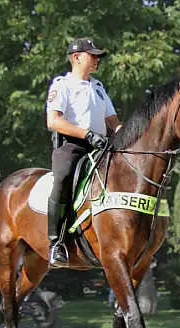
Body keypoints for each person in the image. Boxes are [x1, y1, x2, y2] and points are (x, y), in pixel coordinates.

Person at [45, 38, 123, 268]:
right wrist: (87, 134)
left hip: (101, 145)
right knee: (63, 178)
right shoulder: (62, 85)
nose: (97, 59)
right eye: (93, 55)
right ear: (77, 57)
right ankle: (56, 242)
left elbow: (113, 121)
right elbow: (53, 120)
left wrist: (126, 136)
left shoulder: (98, 87)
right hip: (72, 146)